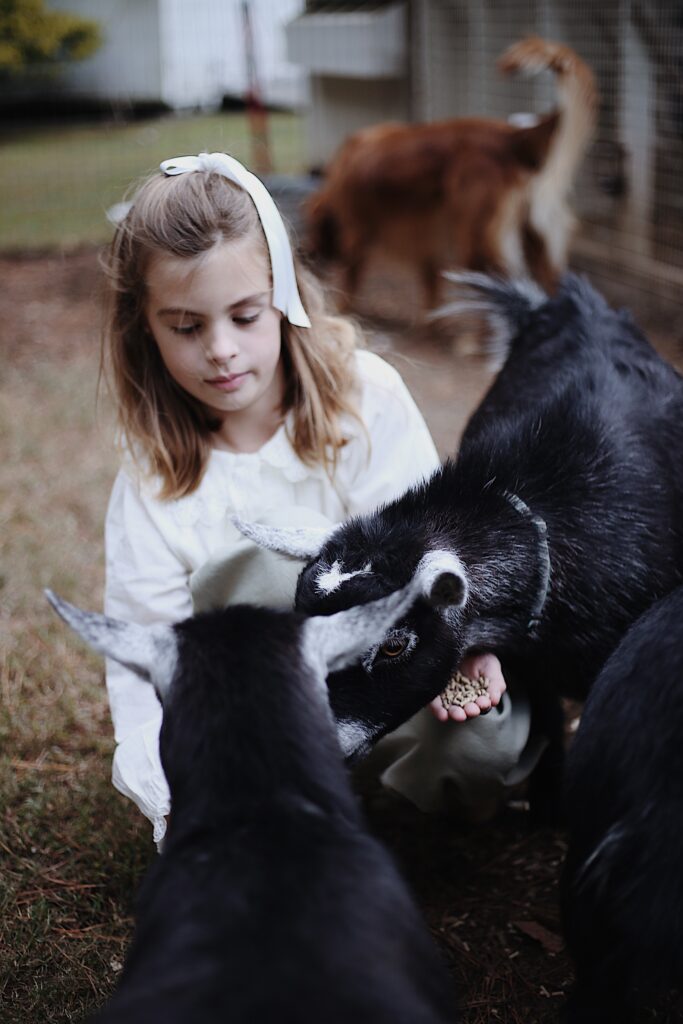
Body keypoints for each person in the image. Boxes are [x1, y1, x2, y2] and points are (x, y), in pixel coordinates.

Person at [102, 152, 519, 846]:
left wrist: (461, 640)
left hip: (379, 679)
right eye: (185, 326)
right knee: (261, 561)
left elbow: (429, 553)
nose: (221, 351)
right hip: (251, 711)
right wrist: (173, 792)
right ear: (144, 325)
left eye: (244, 315)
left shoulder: (366, 397)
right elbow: (143, 658)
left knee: (477, 753)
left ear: (285, 294)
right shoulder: (153, 471)